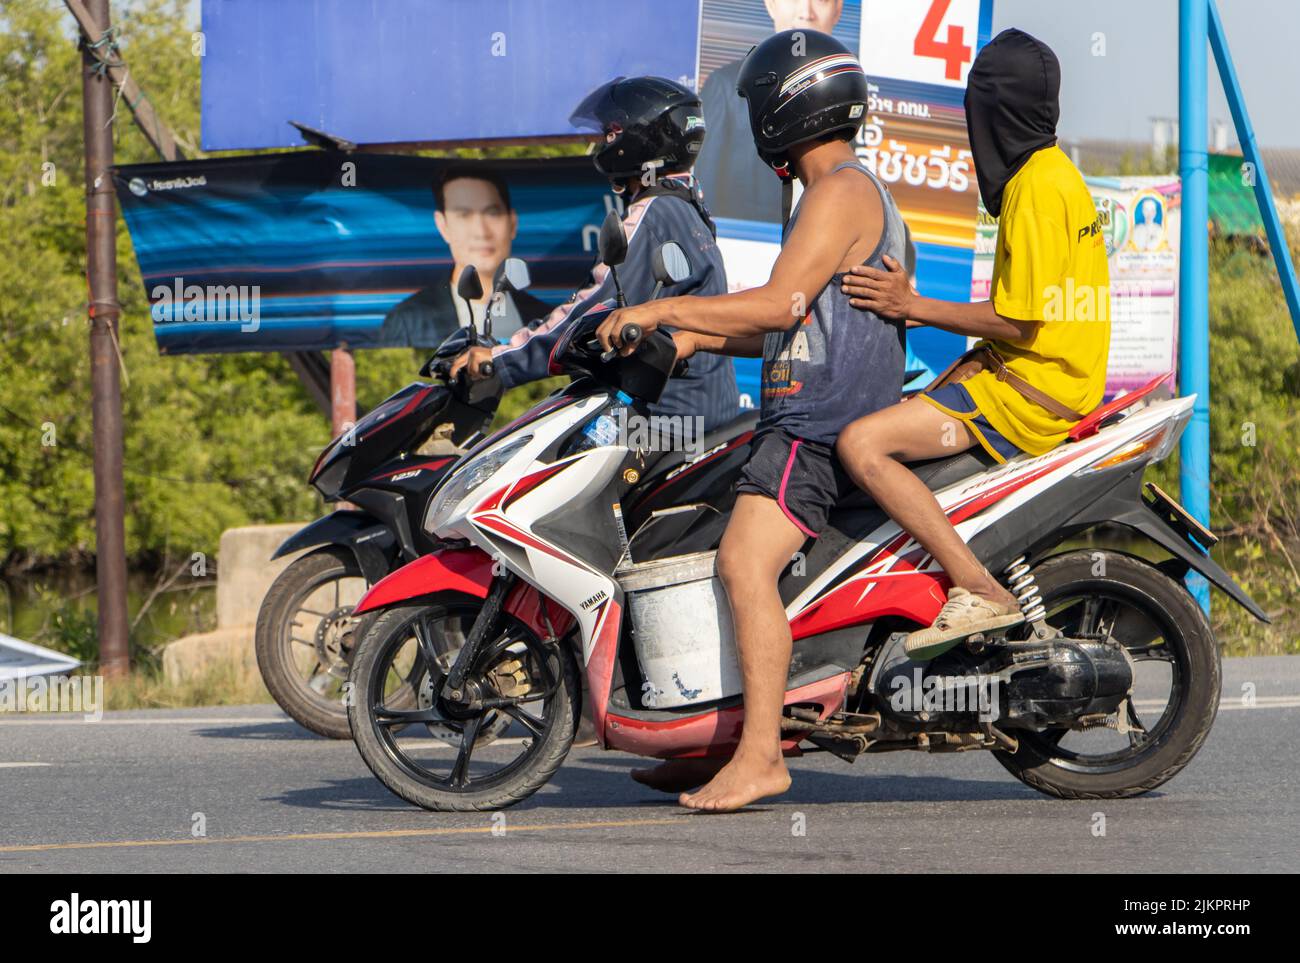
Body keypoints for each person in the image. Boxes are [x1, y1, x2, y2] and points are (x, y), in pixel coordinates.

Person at [596, 31, 905, 811]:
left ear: (784, 107)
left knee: (741, 564)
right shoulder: (834, 190)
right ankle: (718, 741)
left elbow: (778, 305)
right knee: (708, 547)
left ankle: (762, 755)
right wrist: (698, 334)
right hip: (805, 416)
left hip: (818, 425)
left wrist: (663, 306)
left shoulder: (837, 190)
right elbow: (786, 322)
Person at [836, 28, 1112, 661]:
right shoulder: (1056, 172)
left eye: (976, 106)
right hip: (1043, 378)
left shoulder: (1034, 189)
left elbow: (1019, 323)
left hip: (1029, 394)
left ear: (995, 110)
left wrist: (908, 305)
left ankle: (976, 585)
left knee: (862, 443)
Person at [451, 76, 740, 433]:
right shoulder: (688, 205)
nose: (605, 141)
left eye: (611, 133)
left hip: (664, 417)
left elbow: (594, 306)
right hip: (698, 408)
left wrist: (501, 361)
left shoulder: (654, 211)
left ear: (640, 137)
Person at [695, 0, 844, 222]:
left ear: (838, 9)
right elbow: (703, 190)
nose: (806, 12)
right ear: (771, 5)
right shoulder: (727, 86)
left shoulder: (850, 95)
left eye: (821, 0)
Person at [379, 166, 551, 348]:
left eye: (492, 213)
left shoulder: (545, 319)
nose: (481, 232)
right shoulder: (408, 320)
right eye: (464, 215)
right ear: (442, 226)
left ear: (512, 223)